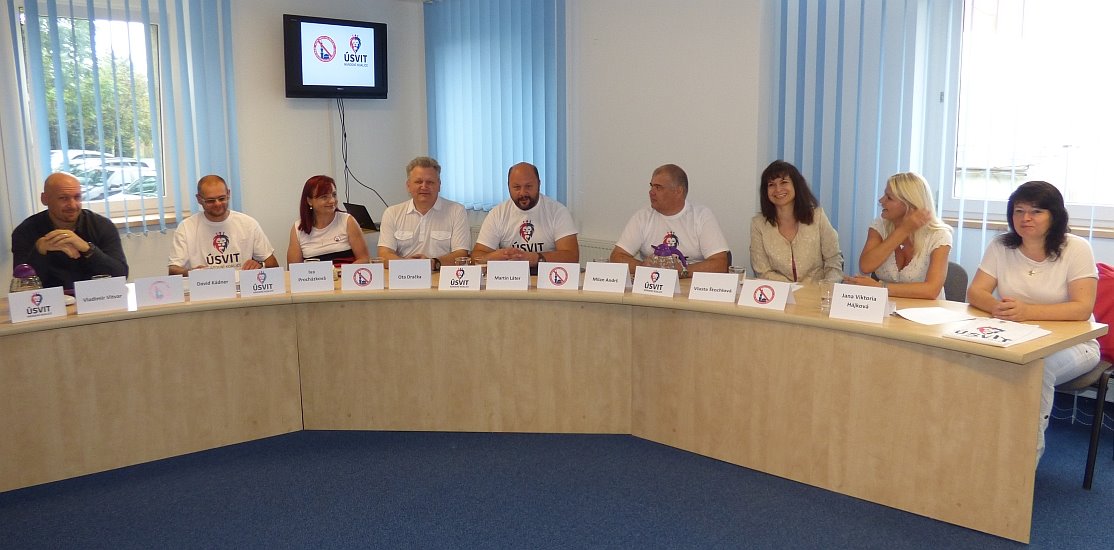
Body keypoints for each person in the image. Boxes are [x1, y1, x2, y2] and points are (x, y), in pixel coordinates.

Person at [967, 181, 1099, 460]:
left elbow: (1082, 308)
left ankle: (1026, 459)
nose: (1025, 218)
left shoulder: (1076, 248)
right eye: (1019, 211)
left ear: (1054, 215)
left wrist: (1027, 311)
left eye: (1036, 211)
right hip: (1016, 337)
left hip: (1075, 344)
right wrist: (998, 308)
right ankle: (981, 450)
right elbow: (976, 292)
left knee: (1036, 370)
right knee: (973, 360)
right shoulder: (1001, 246)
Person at [842, 172, 953, 299]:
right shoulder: (880, 226)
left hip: (925, 309)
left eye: (889, 198)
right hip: (887, 307)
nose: (881, 201)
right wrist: (903, 230)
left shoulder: (939, 235)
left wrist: (880, 287)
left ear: (910, 204)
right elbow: (866, 266)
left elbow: (931, 290)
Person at [11, 172, 128, 289]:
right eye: (63, 198)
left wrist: (88, 249)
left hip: (95, 296)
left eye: (77, 197)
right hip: (48, 299)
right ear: (45, 199)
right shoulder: (25, 231)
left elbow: (121, 275)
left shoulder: (102, 226)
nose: (72, 205)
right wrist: (39, 251)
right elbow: (22, 285)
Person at [609, 164, 729, 277]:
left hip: (690, 284)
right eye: (651, 186)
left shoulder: (701, 216)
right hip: (653, 284)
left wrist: (683, 271)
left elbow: (720, 264)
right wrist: (642, 267)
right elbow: (617, 256)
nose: (651, 192)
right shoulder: (642, 217)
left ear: (678, 191)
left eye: (658, 187)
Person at [471, 162, 579, 270]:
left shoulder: (557, 211)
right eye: (516, 187)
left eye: (528, 186)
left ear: (539, 184)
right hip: (510, 276)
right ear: (508, 187)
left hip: (548, 276)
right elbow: (475, 257)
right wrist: (494, 257)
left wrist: (536, 259)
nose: (522, 193)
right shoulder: (497, 214)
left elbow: (572, 256)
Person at [749, 160, 843, 283]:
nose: (778, 189)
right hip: (779, 291)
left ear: (796, 185)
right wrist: (793, 289)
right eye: (771, 185)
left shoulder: (817, 216)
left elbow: (833, 260)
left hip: (817, 291)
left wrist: (826, 288)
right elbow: (762, 271)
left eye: (784, 182)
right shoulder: (758, 224)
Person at [168, 175, 278, 274]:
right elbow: (173, 270)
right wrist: (193, 273)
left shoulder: (248, 224)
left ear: (228, 194)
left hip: (241, 286)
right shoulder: (186, 227)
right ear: (199, 199)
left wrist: (260, 265)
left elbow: (273, 264)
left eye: (222, 198)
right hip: (205, 286)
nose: (217, 204)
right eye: (211, 201)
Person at [377, 156, 470, 270]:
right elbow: (384, 254)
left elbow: (461, 254)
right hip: (403, 274)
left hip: (440, 274)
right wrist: (407, 264)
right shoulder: (392, 213)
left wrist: (433, 263)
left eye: (430, 182)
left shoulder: (456, 211)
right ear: (408, 186)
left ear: (439, 185)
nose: (424, 186)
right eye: (418, 182)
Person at [287, 175, 371, 265]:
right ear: (309, 201)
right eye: (324, 197)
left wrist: (343, 272)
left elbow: (364, 259)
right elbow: (293, 268)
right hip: (315, 275)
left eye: (334, 195)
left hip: (344, 274)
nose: (332, 201)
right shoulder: (298, 229)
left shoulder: (348, 221)